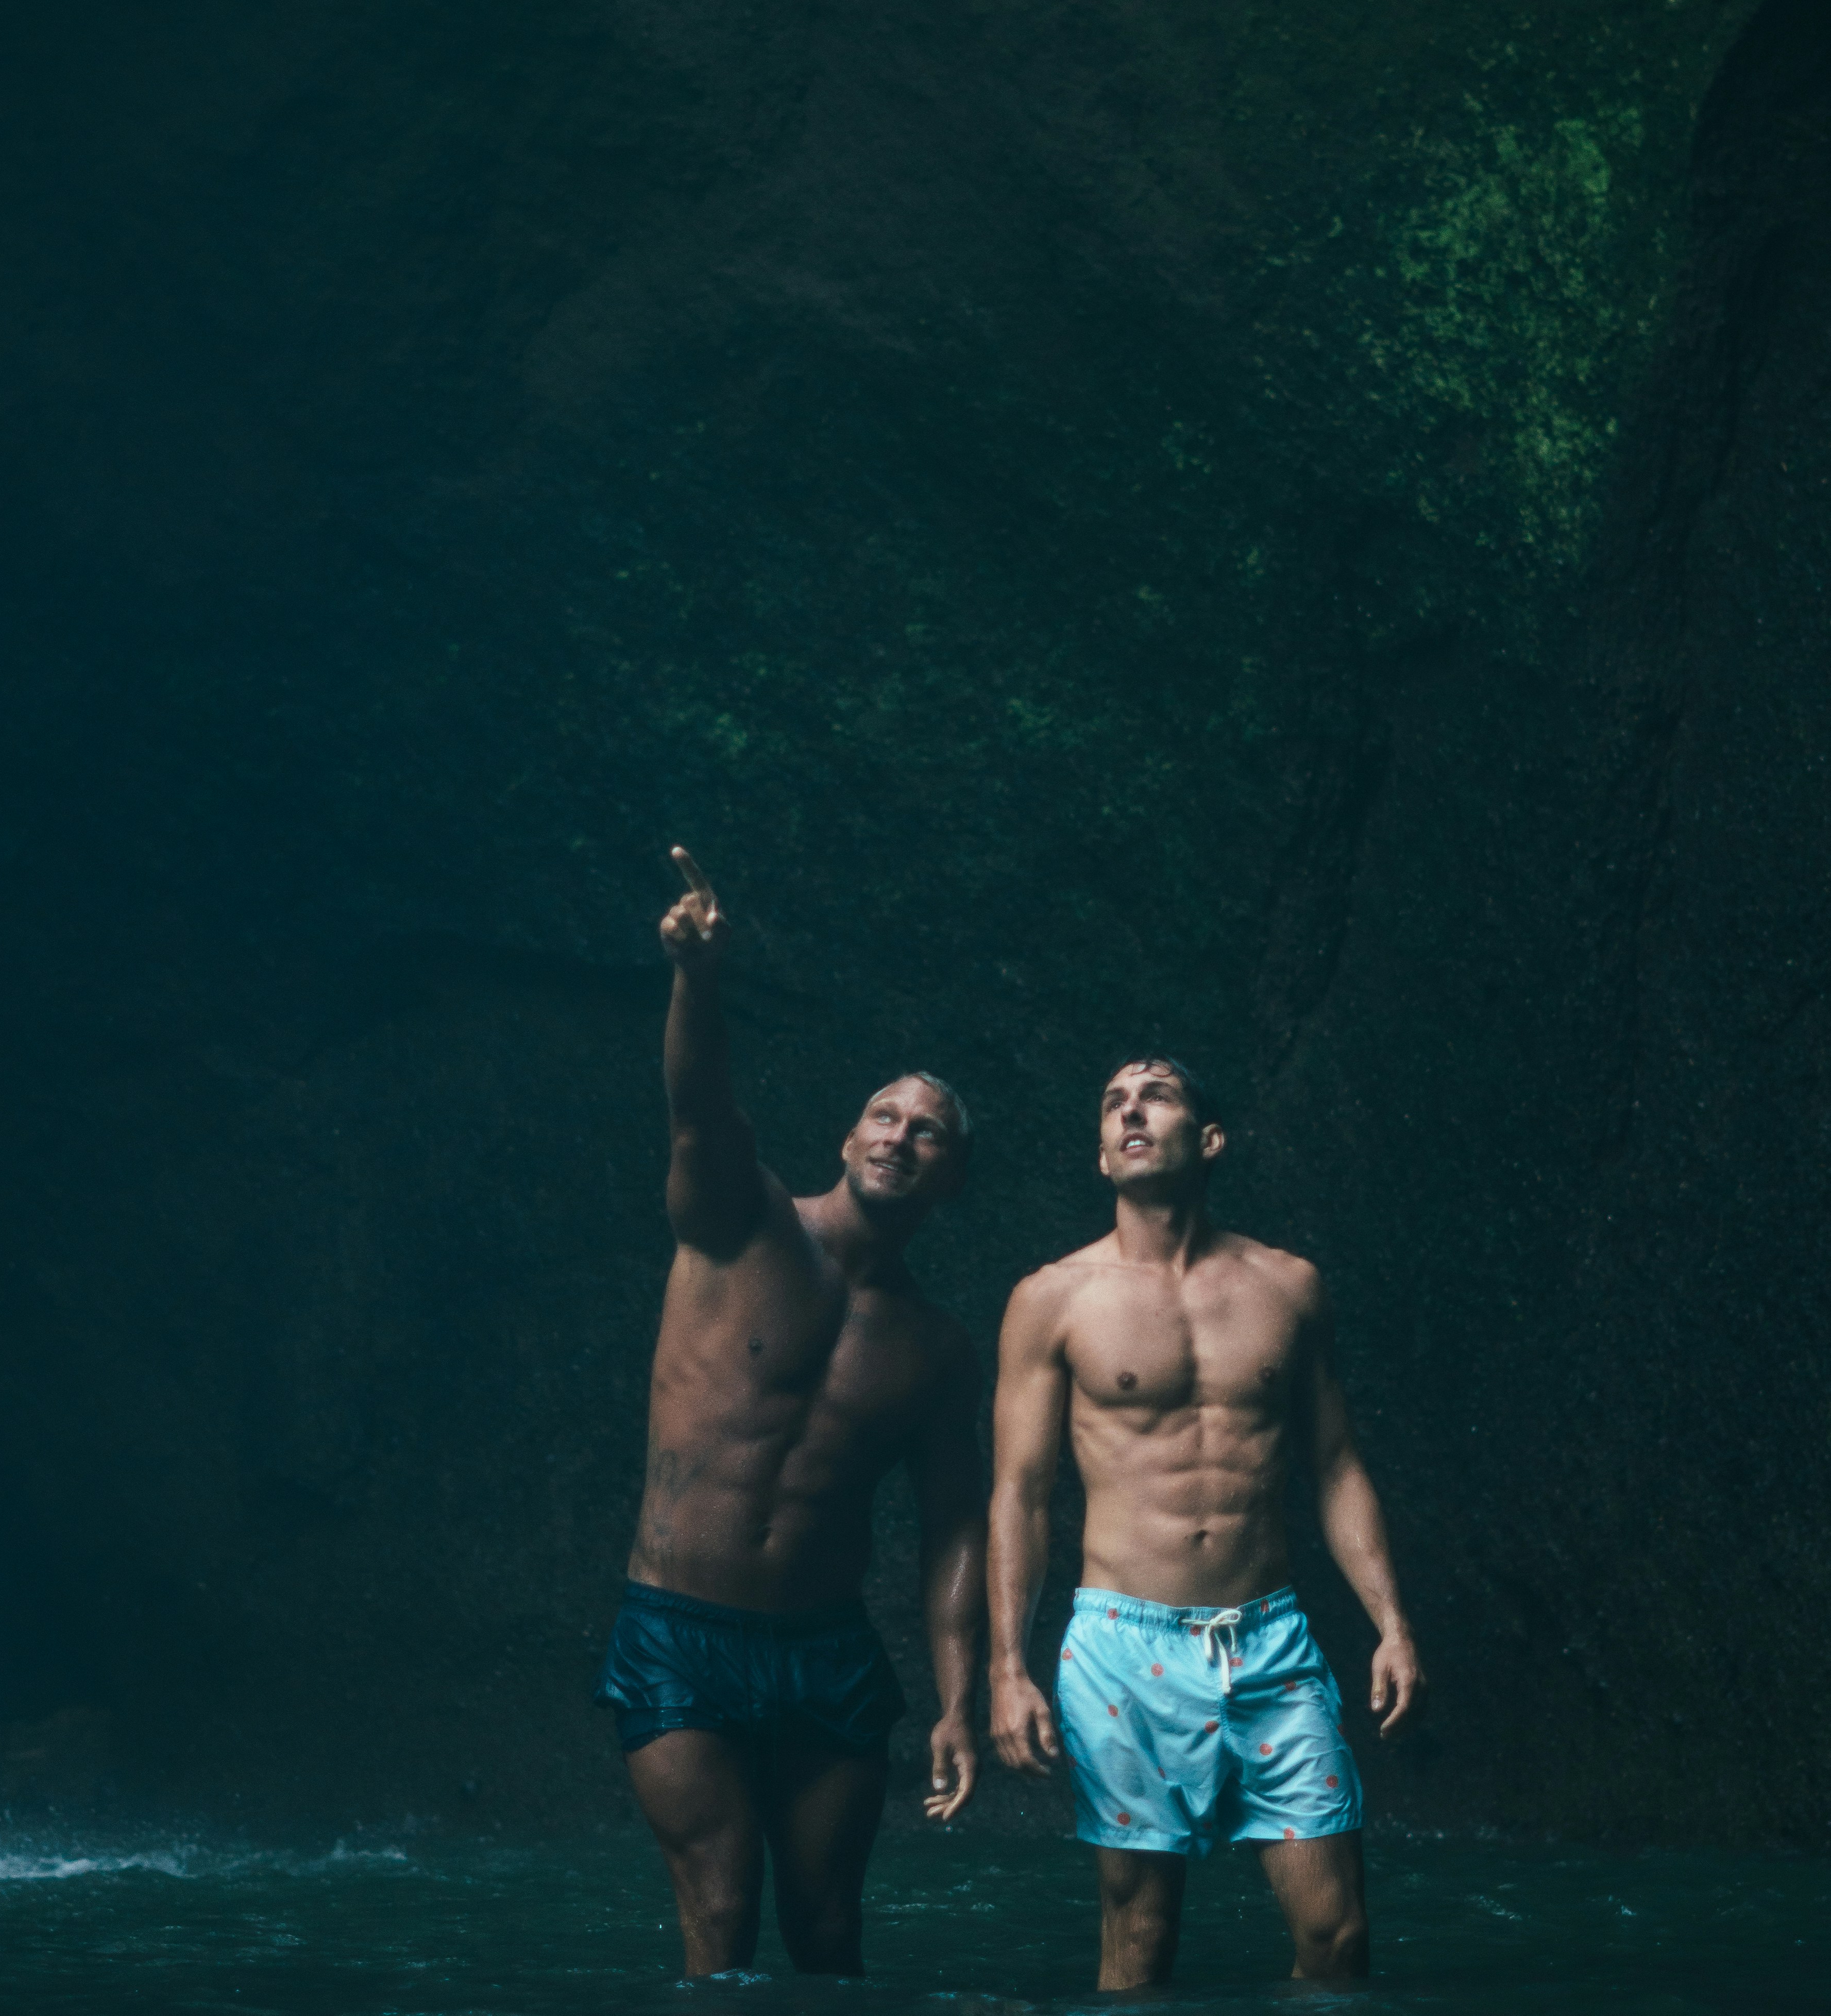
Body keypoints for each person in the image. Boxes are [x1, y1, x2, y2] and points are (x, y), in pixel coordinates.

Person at [594, 850, 986, 1979]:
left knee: (828, 1930)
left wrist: (959, 1702)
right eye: (882, 1114)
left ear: (950, 1178)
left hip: (824, 1649)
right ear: (846, 1135)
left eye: (928, 1132)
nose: (897, 1136)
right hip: (679, 1632)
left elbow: (958, 1527)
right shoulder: (741, 1219)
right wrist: (696, 976)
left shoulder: (940, 1350)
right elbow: (696, 1103)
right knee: (722, 1907)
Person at [987, 1056, 1425, 1988]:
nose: (1130, 1111)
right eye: (1112, 1103)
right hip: (1121, 1646)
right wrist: (1005, 1666)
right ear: (1102, 1155)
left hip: (1268, 1643)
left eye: (1155, 1096)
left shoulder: (1288, 1287)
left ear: (1209, 1139)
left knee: (1338, 1938)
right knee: (1140, 1941)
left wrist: (1391, 1623)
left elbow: (1337, 1466)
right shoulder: (1051, 1299)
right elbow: (1018, 1494)